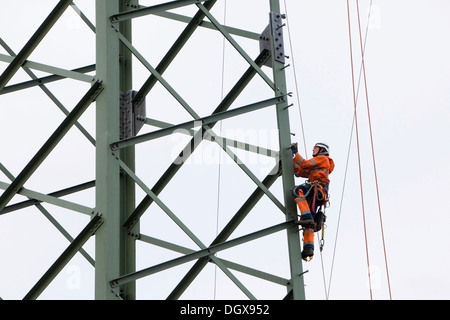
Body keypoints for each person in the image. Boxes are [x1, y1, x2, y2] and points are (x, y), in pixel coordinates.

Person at [290, 142, 334, 261]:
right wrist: (292, 159)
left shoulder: (323, 159)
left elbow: (304, 164)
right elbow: (300, 172)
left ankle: (306, 214)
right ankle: (308, 250)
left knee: (296, 191)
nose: (313, 149)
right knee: (308, 223)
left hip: (317, 189)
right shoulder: (318, 165)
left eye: (315, 148)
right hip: (317, 193)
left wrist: (295, 152)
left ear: (321, 150)